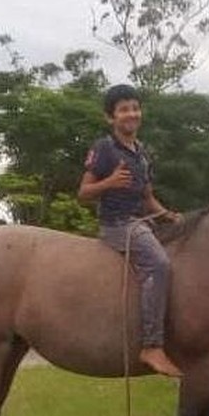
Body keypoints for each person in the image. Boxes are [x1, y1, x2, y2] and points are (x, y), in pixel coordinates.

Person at [78, 84, 183, 377]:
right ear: (111, 118)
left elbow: (147, 198)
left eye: (135, 108)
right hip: (116, 225)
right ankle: (152, 345)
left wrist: (168, 216)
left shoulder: (142, 153)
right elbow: (84, 192)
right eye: (124, 109)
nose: (131, 114)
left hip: (142, 223)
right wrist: (108, 183)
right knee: (159, 264)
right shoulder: (103, 149)